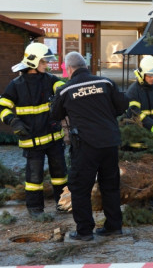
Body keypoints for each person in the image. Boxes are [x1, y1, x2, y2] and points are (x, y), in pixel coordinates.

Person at [50, 52, 128, 242]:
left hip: (86, 145)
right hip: (109, 142)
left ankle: (84, 231)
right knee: (110, 185)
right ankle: (113, 226)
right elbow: (122, 105)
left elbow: (55, 114)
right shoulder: (106, 83)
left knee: (80, 187)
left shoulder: (66, 90)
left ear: (69, 69)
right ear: (85, 66)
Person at [0, 42, 67, 217]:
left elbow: (61, 87)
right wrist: (13, 121)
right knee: (34, 178)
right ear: (33, 62)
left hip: (53, 138)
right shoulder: (16, 85)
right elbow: (2, 107)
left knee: (60, 174)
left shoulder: (50, 79)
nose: (47, 65)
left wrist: (63, 88)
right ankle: (35, 209)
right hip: (32, 140)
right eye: (44, 62)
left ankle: (64, 204)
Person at [124, 55, 153, 148]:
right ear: (142, 74)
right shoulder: (133, 91)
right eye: (150, 75)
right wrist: (152, 126)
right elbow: (134, 112)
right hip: (138, 143)